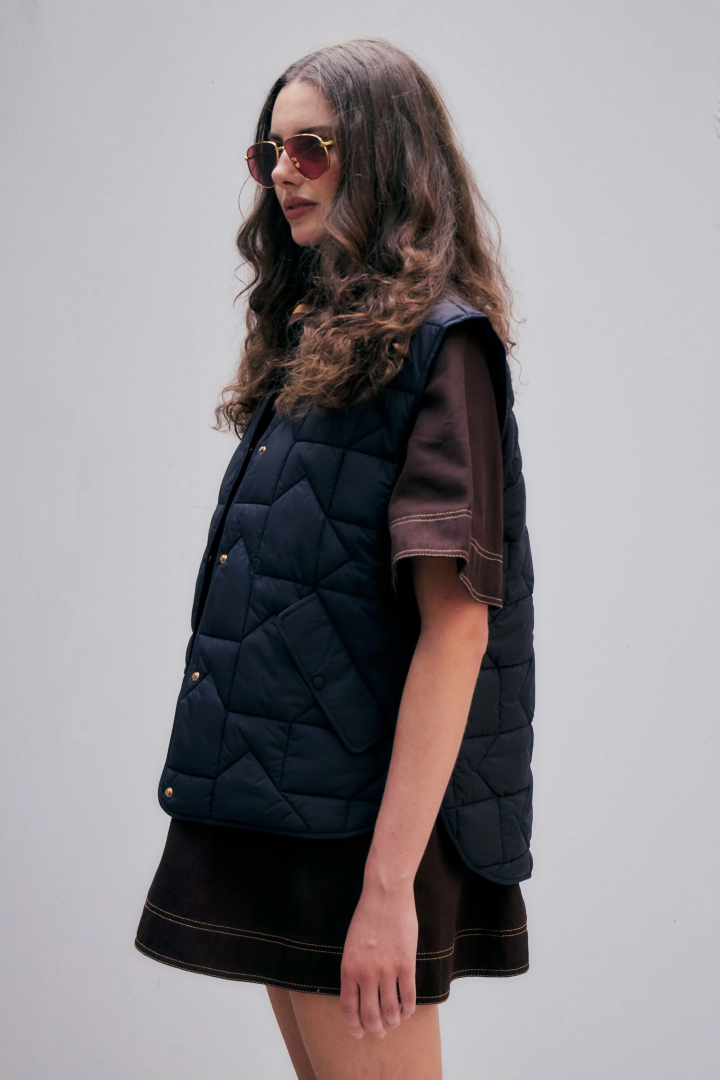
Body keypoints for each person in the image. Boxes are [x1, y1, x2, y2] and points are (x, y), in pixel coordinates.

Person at [135, 37, 535, 1080]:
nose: (284, 173)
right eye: (271, 150)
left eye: (313, 147)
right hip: (284, 805)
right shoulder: (317, 341)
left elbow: (460, 626)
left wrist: (389, 889)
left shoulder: (443, 350)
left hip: (360, 836)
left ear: (388, 157)